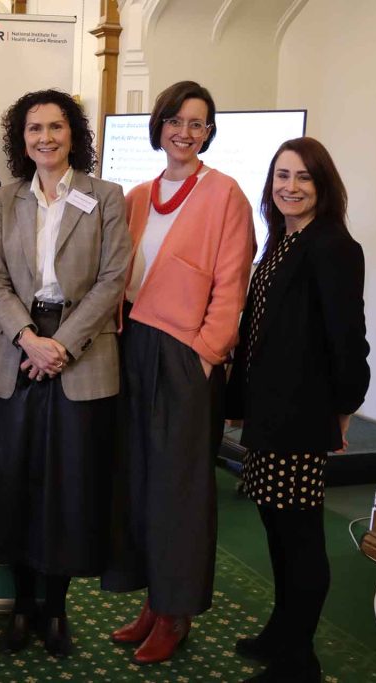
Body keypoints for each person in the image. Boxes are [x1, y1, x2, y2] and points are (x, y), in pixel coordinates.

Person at [0, 89, 131, 658]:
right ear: (22, 139)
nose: (45, 138)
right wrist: (28, 339)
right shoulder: (5, 199)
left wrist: (60, 345)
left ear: (73, 134)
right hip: (17, 350)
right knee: (13, 482)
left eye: (56, 127)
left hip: (78, 351)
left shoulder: (106, 196)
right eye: (34, 128)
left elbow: (113, 280)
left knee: (69, 486)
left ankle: (56, 609)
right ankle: (21, 607)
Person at [102, 80, 255, 664]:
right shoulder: (138, 196)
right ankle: (152, 600)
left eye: (197, 123)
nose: (185, 132)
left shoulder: (226, 194)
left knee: (180, 489)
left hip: (185, 356)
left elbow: (231, 284)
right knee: (137, 479)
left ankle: (176, 612)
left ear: (208, 133)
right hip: (132, 346)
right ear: (159, 125)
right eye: (175, 120)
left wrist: (205, 353)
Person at [225, 137, 370, 682]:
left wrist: (345, 407)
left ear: (322, 185)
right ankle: (281, 633)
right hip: (269, 412)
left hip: (301, 416)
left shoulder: (333, 246)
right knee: (276, 526)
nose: (290, 186)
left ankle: (298, 660)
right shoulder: (284, 239)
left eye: (304, 177)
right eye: (282, 175)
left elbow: (348, 338)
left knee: (300, 537)